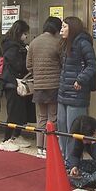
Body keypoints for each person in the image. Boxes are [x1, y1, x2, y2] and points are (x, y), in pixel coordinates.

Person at [57, 16, 96, 161]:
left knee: (73, 130)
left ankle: (72, 162)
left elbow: (92, 65)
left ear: (72, 28)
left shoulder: (83, 43)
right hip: (63, 93)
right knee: (62, 127)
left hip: (77, 94)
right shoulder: (64, 43)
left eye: (64, 27)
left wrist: (80, 79)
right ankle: (63, 159)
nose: (61, 30)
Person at [27, 17, 62, 159]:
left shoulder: (34, 42)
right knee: (52, 118)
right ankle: (49, 147)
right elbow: (63, 63)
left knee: (41, 117)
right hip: (54, 85)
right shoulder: (58, 42)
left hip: (39, 85)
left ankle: (40, 148)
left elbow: (28, 66)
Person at [0, 20, 32, 152]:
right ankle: (6, 139)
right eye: (25, 34)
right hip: (12, 83)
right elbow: (18, 65)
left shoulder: (13, 45)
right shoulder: (13, 47)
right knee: (13, 113)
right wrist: (27, 54)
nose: (26, 37)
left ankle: (16, 136)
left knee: (19, 112)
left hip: (14, 82)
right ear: (19, 33)